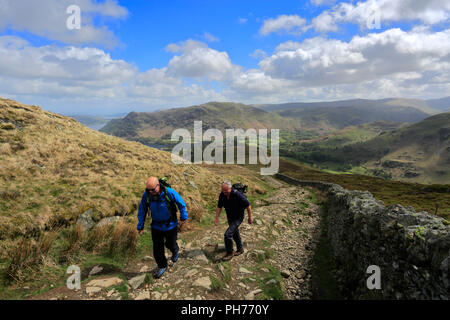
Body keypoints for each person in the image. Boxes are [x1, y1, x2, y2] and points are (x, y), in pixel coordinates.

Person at [137, 176, 188, 278]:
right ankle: (162, 266)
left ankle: (175, 250)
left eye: (153, 189)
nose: (151, 192)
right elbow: (142, 209)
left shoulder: (169, 192)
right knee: (157, 249)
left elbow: (181, 203)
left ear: (158, 185)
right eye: (148, 189)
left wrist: (183, 216)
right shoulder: (147, 195)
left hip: (171, 225)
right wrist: (140, 225)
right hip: (156, 226)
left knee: (170, 243)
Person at [214, 180, 253, 261]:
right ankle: (240, 249)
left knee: (227, 235)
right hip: (230, 216)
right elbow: (219, 207)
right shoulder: (222, 195)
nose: (224, 192)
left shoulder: (237, 194)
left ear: (230, 188)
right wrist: (217, 218)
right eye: (223, 190)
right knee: (235, 232)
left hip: (238, 217)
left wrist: (250, 217)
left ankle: (230, 253)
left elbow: (248, 205)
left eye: (226, 190)